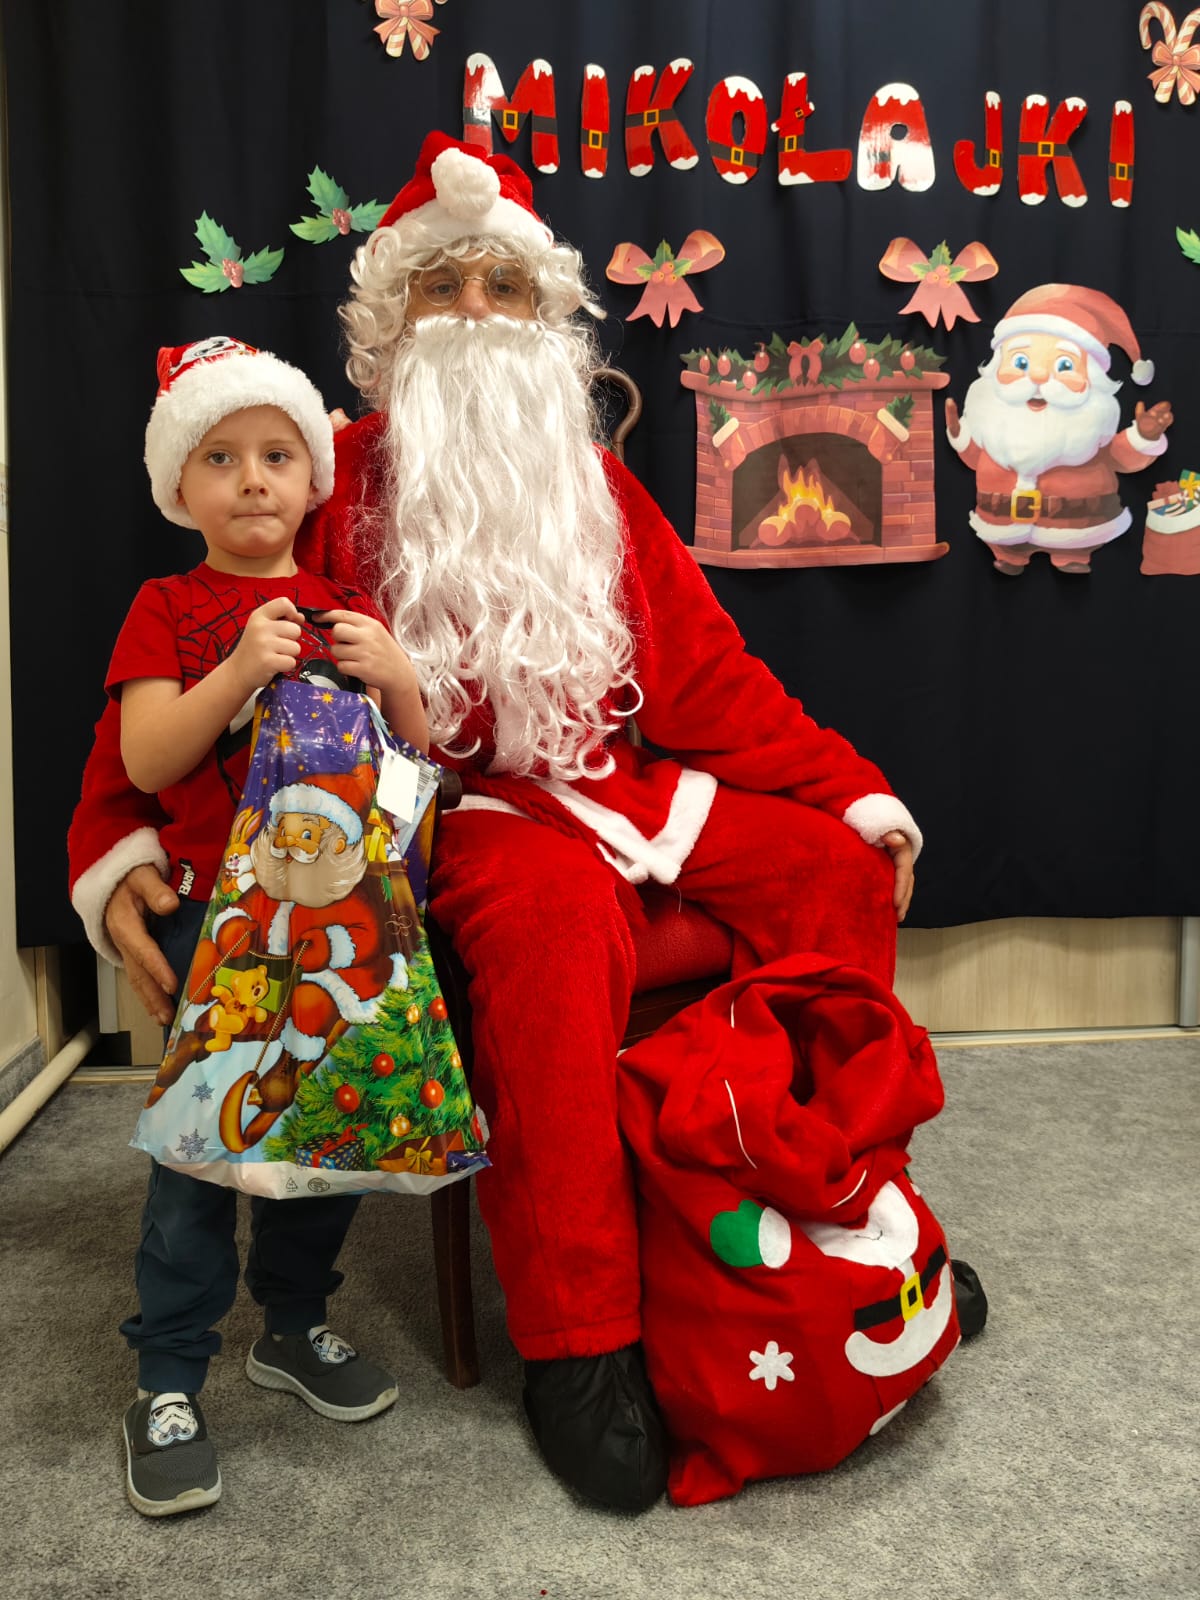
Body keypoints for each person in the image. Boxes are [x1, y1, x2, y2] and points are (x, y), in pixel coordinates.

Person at [70, 134, 980, 1513]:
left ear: (547, 314)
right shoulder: (325, 478)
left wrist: (854, 791)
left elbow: (712, 681)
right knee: (549, 930)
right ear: (390, 324)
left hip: (623, 789)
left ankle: (860, 1228)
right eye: (442, 287)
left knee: (832, 871)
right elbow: (193, 636)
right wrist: (114, 847)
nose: (477, 311)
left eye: (505, 284)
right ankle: (581, 1342)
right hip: (455, 815)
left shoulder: (595, 484)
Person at [100, 336, 428, 1517]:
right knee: (199, 1155)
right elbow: (147, 760)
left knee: (323, 1137)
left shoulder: (351, 608)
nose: (251, 478)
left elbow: (412, 769)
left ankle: (292, 1324)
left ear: (312, 480)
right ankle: (167, 1375)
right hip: (216, 924)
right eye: (220, 457)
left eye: (277, 455)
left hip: (342, 924)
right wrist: (238, 668)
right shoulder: (167, 606)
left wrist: (399, 678)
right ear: (178, 486)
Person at [945, 283, 1173, 574]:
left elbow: (1121, 457)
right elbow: (976, 458)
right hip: (1001, 521)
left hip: (1077, 525)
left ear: (1091, 378)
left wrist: (1143, 436)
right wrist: (960, 435)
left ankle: (1071, 555)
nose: (1039, 376)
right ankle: (1009, 554)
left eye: (1064, 365)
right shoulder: (993, 421)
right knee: (1007, 546)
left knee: (1073, 545)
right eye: (1021, 362)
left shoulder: (1091, 431)